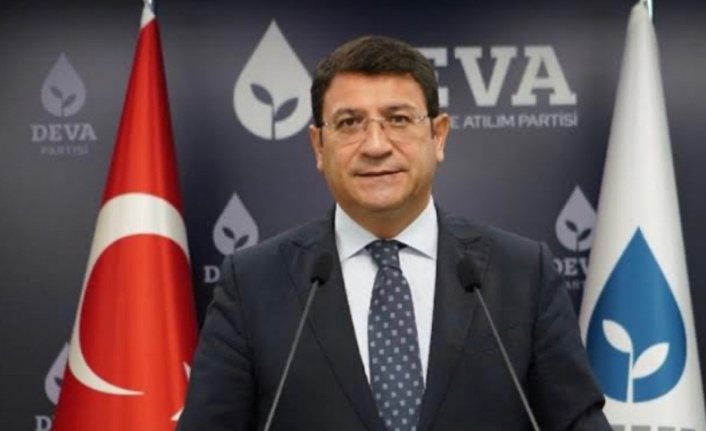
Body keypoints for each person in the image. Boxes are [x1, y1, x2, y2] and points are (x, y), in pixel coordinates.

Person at [177, 35, 611, 430]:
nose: (375, 145)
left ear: (438, 136)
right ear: (318, 146)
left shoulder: (522, 274)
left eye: (398, 119)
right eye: (349, 123)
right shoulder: (253, 284)